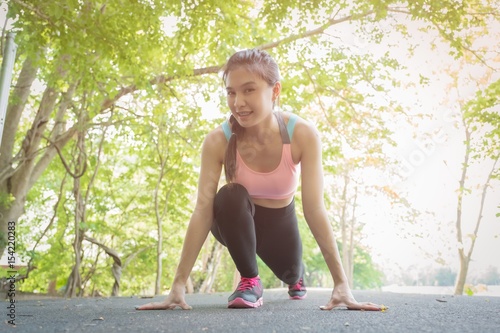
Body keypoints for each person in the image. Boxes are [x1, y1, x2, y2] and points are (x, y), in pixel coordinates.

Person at [136, 49, 383, 311]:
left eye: (249, 90)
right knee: (230, 194)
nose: (238, 102)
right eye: (231, 92)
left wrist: (341, 283)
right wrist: (178, 285)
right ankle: (250, 280)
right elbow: (202, 209)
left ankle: (294, 278)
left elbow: (313, 208)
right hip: (235, 223)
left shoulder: (301, 134)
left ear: (275, 91)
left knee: (290, 272)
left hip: (280, 225)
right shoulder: (217, 141)